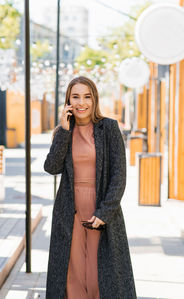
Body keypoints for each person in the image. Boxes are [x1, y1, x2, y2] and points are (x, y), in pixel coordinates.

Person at [44, 76, 136, 299]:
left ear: (94, 99)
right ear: (68, 101)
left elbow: (119, 176)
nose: (81, 102)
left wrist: (105, 212)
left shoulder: (109, 128)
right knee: (72, 274)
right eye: (75, 96)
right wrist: (64, 131)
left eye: (87, 96)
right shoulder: (62, 131)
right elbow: (52, 167)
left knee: (101, 274)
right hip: (70, 211)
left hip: (102, 209)